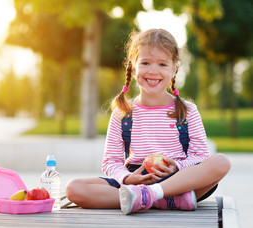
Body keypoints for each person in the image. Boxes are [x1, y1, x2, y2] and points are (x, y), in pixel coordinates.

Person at [65, 28, 231, 215]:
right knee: (74, 188)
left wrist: (176, 166)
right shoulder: (123, 113)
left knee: (221, 162)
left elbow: (200, 155)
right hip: (136, 179)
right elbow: (111, 160)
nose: (153, 71)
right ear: (134, 67)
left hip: (177, 180)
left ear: (174, 68)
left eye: (162, 64)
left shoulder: (187, 110)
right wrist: (127, 178)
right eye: (145, 63)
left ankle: (150, 195)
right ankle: (160, 200)